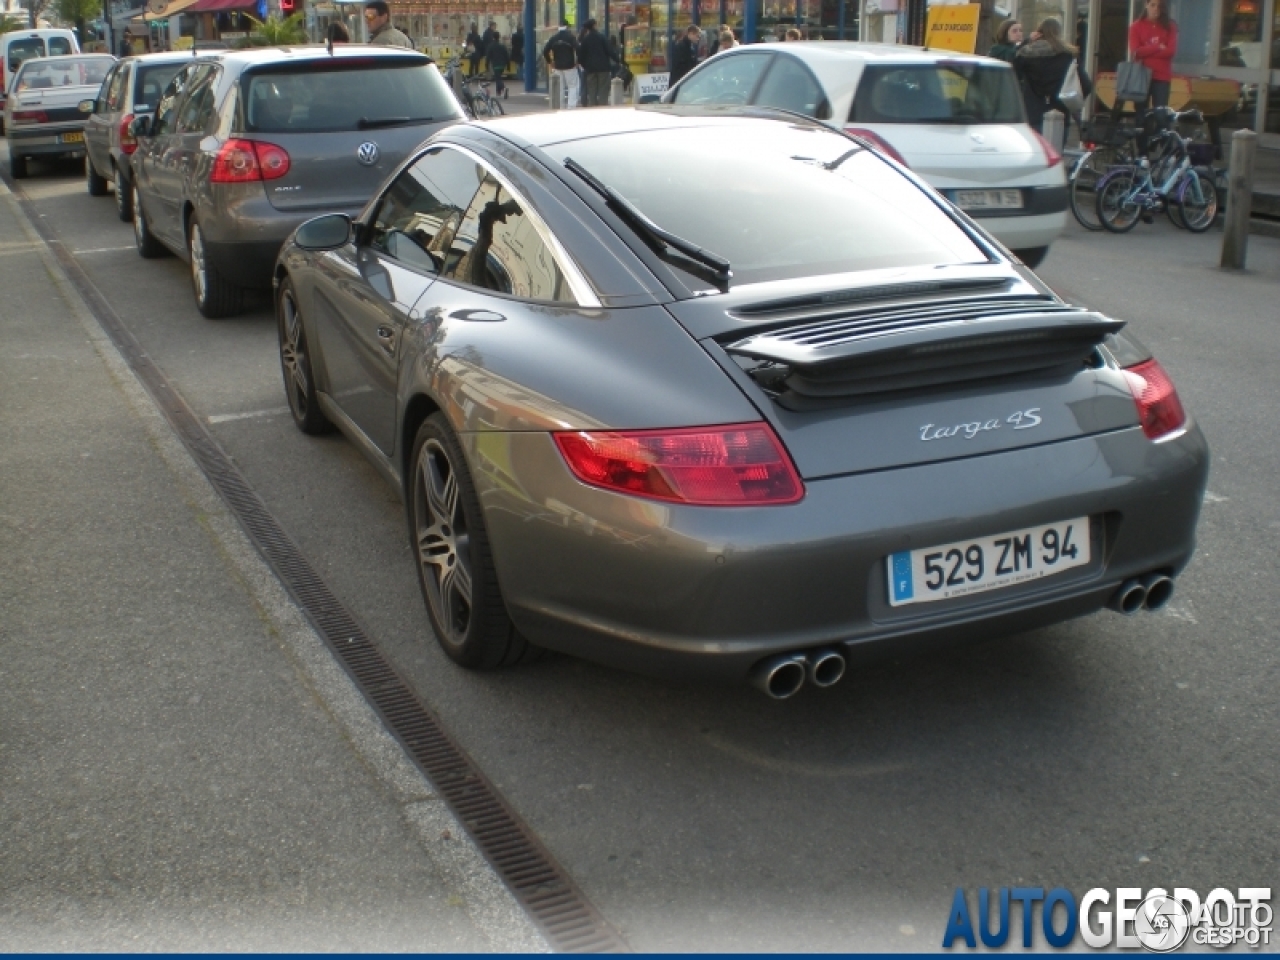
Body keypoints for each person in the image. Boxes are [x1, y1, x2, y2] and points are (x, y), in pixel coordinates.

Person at [1015, 18, 1088, 134]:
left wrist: (1026, 41)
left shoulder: (1026, 54)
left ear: (1039, 32)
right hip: (1060, 111)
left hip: (1032, 112)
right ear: (1059, 33)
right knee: (1056, 150)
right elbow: (1085, 84)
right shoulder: (1068, 55)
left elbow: (1013, 69)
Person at [1129, 0, 1177, 111]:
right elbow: (1136, 51)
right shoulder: (1136, 26)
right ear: (1146, 5)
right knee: (1141, 114)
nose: (1156, 9)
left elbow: (1170, 52)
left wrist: (1147, 50)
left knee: (1161, 114)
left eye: (1159, 6)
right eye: (1152, 5)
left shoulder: (1170, 26)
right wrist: (1158, 47)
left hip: (1161, 76)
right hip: (1141, 75)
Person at [576, 19, 616, 106]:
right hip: (603, 68)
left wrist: (585, 66)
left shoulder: (585, 40)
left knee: (592, 90)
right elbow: (610, 51)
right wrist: (617, 60)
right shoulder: (602, 37)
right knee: (603, 90)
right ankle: (602, 107)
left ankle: (592, 108)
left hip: (590, 69)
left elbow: (581, 56)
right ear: (594, 26)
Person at [542, 20, 581, 109]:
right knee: (573, 86)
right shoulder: (571, 37)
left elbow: (545, 51)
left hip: (557, 66)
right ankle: (571, 106)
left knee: (560, 87)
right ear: (567, 27)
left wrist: (550, 62)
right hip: (570, 66)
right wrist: (578, 61)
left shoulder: (554, 38)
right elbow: (578, 49)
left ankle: (560, 106)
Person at [487, 31, 510, 98]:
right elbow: (507, 56)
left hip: (495, 64)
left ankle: (504, 88)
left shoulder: (491, 46)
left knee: (498, 78)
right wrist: (508, 65)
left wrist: (486, 65)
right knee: (498, 77)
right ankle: (498, 92)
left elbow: (488, 56)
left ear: (493, 37)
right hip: (502, 65)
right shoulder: (502, 46)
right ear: (499, 37)